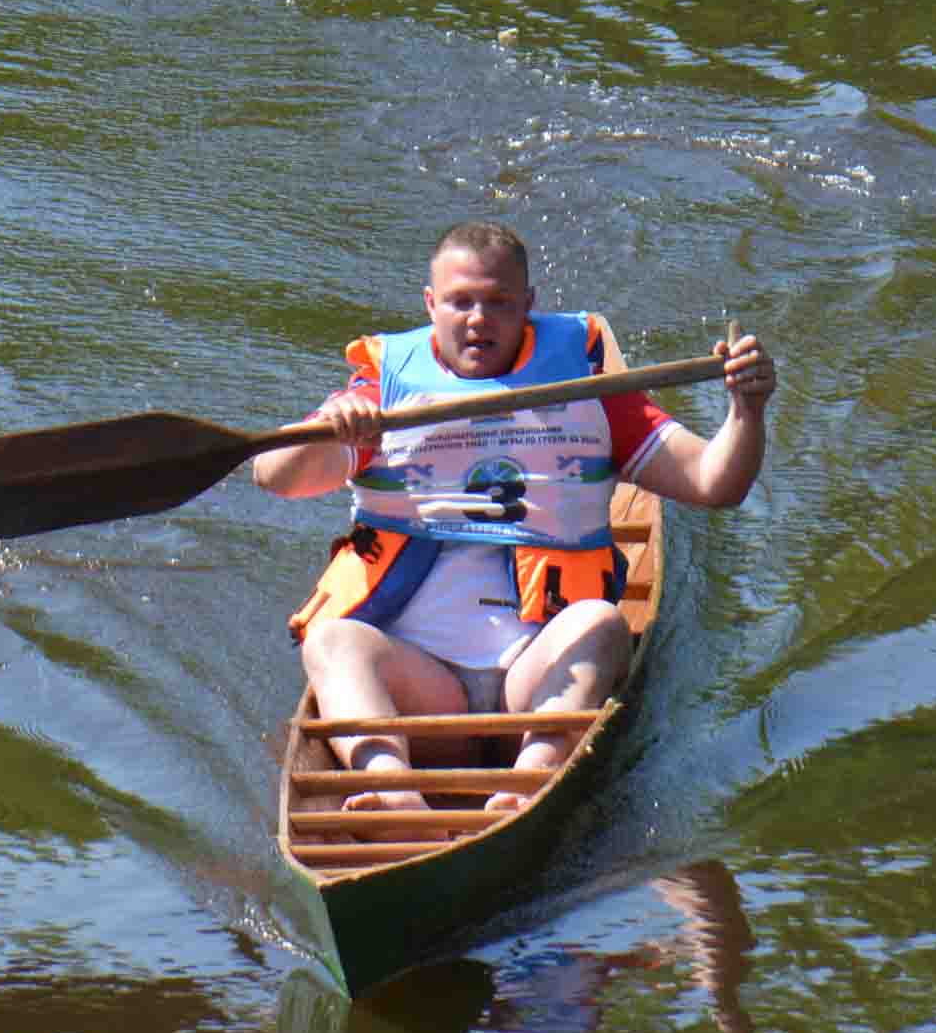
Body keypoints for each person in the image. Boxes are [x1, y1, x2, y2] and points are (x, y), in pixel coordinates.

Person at [250, 222, 774, 811]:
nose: (478, 319)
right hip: (423, 689)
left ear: (528, 305)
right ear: (431, 305)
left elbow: (713, 482)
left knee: (601, 623)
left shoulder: (588, 385)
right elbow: (274, 477)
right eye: (460, 301)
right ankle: (390, 788)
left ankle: (530, 780)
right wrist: (327, 428)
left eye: (498, 302)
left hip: (536, 678)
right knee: (330, 642)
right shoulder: (380, 392)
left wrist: (745, 412)